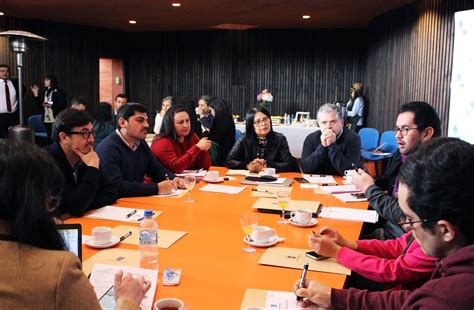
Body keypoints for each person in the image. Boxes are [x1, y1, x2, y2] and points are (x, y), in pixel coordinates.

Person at [294, 137, 474, 309]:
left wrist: (339, 253)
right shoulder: (449, 261)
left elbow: (405, 284)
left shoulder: (445, 299)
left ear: (445, 230)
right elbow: (410, 298)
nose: (406, 226)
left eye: (411, 219)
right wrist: (335, 297)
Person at [0, 140, 151, 309]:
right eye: (51, 203)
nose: (91, 139)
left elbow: (110, 192)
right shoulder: (58, 270)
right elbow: (77, 204)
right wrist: (127, 300)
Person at [353, 101, 441, 240]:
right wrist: (367, 181)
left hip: (402, 238)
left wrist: (368, 188)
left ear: (427, 133)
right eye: (397, 129)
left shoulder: (432, 168)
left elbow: (404, 217)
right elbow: (388, 181)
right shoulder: (403, 155)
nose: (397, 135)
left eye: (405, 129)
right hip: (387, 224)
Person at [308, 226, 437, 291]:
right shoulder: (425, 226)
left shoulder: (435, 245)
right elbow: (398, 246)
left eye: (410, 217)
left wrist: (338, 252)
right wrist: (349, 245)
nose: (410, 226)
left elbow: (393, 271)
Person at [96, 103, 181, 198]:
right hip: (115, 206)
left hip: (135, 202)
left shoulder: (140, 143)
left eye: (147, 121)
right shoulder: (108, 148)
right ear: (123, 123)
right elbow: (116, 186)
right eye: (140, 120)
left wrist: (175, 179)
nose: (147, 125)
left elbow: (156, 169)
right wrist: (156, 188)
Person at [47, 109, 117, 217]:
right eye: (85, 133)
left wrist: (83, 204)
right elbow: (76, 206)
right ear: (64, 137)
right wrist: (93, 168)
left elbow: (111, 192)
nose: (92, 139)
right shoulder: (48, 163)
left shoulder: (84, 155)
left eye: (91, 133)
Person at [226, 107, 295, 172]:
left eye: (265, 119)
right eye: (258, 121)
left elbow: (288, 164)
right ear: (251, 125)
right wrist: (248, 166)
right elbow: (229, 161)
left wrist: (266, 165)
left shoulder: (280, 139)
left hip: (272, 178)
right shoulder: (244, 138)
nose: (263, 123)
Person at [300, 103, 361, 175]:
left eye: (333, 122)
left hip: (342, 182)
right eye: (324, 122)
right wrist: (322, 147)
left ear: (342, 122)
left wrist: (332, 145)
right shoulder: (311, 138)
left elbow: (348, 171)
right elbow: (305, 168)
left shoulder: (353, 138)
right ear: (319, 124)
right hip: (316, 182)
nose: (328, 126)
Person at [151, 105, 211, 173]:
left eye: (187, 121)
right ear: (171, 125)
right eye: (180, 122)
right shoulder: (162, 142)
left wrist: (203, 150)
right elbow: (176, 168)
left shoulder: (192, 136)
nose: (185, 125)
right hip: (163, 182)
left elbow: (204, 167)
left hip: (187, 180)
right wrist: (197, 148)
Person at [31, 74, 67, 140]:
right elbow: (40, 105)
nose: (45, 82)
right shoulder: (45, 91)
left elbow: (63, 105)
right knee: (49, 137)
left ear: (52, 81)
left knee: (57, 138)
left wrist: (51, 106)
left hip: (56, 118)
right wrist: (35, 94)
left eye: (47, 80)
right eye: (44, 80)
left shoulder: (59, 91)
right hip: (46, 119)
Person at [208, 97, 235, 165]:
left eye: (211, 110)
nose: (211, 113)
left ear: (216, 109)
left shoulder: (220, 121)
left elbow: (214, 140)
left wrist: (206, 132)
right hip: (228, 152)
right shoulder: (228, 118)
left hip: (221, 157)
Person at [0, 64, 20, 138]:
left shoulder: (15, 83)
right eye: (2, 71)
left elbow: (22, 92)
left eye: (7, 71)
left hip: (13, 116)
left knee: (14, 138)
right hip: (0, 116)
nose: (5, 73)